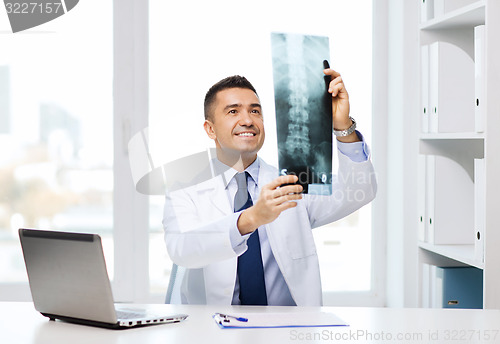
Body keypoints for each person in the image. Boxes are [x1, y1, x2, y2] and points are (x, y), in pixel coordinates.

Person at [162, 68, 377, 306]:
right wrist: (251, 218)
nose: (247, 120)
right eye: (233, 111)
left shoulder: (293, 180)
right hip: (214, 332)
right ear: (210, 129)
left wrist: (342, 126)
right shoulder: (185, 190)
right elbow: (181, 249)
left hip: (287, 330)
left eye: (255, 111)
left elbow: (358, 191)